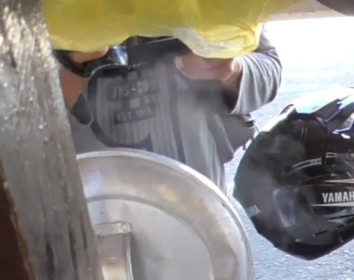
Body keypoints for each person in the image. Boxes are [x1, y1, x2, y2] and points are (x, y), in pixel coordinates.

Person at [55, 33, 281, 190]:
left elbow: (267, 68)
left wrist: (231, 71)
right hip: (92, 189)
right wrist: (71, 73)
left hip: (198, 185)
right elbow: (25, 108)